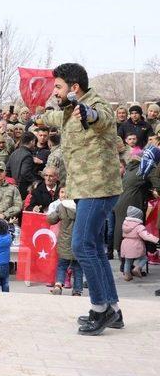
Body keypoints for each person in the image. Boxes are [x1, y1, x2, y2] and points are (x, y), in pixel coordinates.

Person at [42, 63, 123, 335]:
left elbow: (103, 119)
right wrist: (40, 114)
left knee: (81, 245)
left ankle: (100, 310)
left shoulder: (95, 104)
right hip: (86, 188)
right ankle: (114, 310)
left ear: (74, 87)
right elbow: (54, 118)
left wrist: (89, 113)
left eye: (58, 87)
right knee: (96, 250)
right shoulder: (68, 110)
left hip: (97, 188)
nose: (55, 91)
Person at [47, 187, 83, 296]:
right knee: (78, 268)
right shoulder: (81, 207)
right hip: (79, 242)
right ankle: (77, 290)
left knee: (62, 265)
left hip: (64, 242)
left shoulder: (61, 206)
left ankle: (58, 285)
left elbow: (51, 219)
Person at [120, 206, 158, 281]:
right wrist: (156, 239)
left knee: (128, 260)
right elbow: (146, 236)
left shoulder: (125, 224)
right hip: (136, 244)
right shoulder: (139, 226)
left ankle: (127, 275)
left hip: (125, 243)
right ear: (138, 216)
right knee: (144, 258)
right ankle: (137, 268)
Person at [6, 131, 38, 199]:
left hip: (13, 187)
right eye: (34, 141)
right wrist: (35, 180)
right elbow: (25, 172)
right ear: (32, 141)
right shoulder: (27, 155)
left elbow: (7, 170)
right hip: (24, 188)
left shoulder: (14, 153)